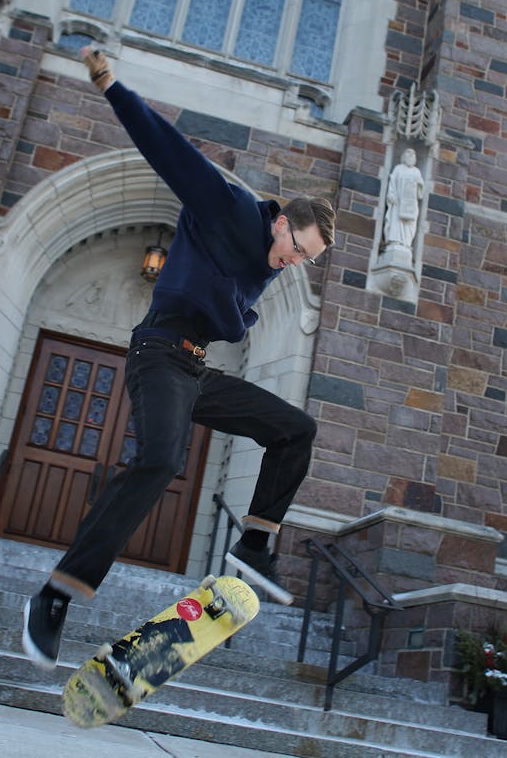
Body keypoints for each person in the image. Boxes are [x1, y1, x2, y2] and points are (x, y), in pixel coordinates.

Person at [21, 47, 336, 668]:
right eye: (297, 249)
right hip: (157, 352)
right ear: (280, 225)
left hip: (195, 370)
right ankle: (55, 595)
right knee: (162, 458)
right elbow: (166, 148)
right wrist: (111, 85)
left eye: (307, 261)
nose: (294, 263)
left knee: (296, 429)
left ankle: (252, 545)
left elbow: (238, 305)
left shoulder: (274, 261)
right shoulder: (226, 207)